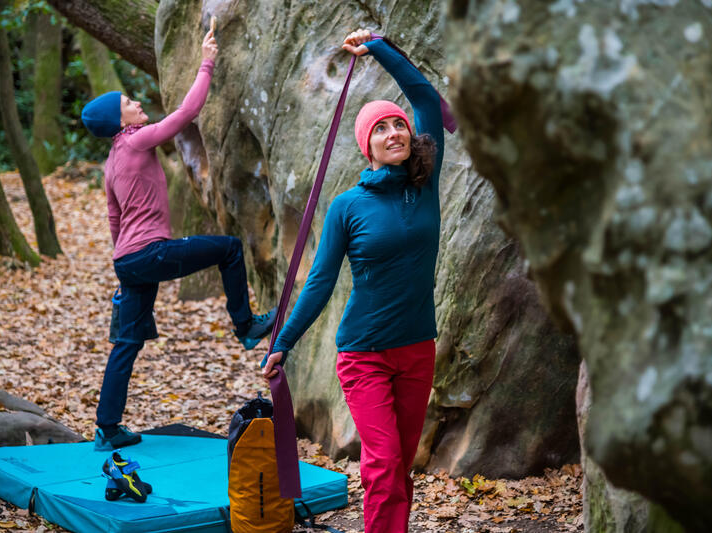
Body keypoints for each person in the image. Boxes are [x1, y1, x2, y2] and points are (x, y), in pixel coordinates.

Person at [262, 29, 446, 533]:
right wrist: (284, 342)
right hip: (363, 354)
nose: (395, 132)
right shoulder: (348, 207)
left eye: (398, 124)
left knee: (399, 468)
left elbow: (426, 98)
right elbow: (320, 282)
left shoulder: (424, 185)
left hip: (417, 350)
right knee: (384, 466)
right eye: (381, 128)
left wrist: (379, 47)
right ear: (367, 146)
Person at [81, 25, 275, 451]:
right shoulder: (134, 142)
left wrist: (124, 270)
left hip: (128, 260)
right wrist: (206, 60)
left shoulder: (112, 162)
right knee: (229, 249)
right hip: (149, 253)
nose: (135, 103)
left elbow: (115, 219)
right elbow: (186, 113)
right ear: (119, 121)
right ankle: (245, 325)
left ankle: (107, 428)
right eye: (128, 103)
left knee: (126, 344)